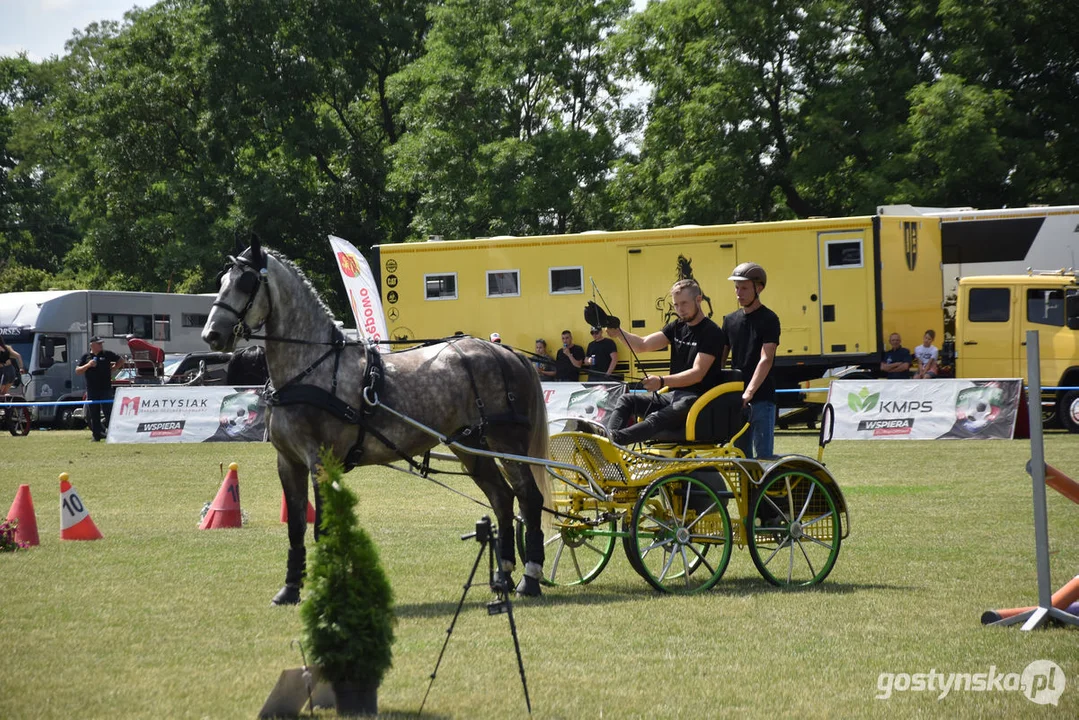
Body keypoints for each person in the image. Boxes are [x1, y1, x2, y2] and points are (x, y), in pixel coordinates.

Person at [603, 279, 726, 445]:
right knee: (627, 400)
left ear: (699, 299)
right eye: (675, 305)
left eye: (684, 303)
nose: (679, 310)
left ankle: (613, 440)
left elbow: (697, 374)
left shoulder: (712, 332)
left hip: (698, 399)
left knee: (656, 417)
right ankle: (607, 438)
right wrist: (618, 331)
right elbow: (642, 345)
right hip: (674, 395)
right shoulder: (677, 327)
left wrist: (661, 381)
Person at [720, 262, 781, 459]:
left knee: (764, 460)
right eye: (736, 288)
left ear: (759, 287)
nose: (739, 293)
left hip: (762, 398)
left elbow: (766, 359)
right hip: (737, 400)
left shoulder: (770, 319)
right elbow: (720, 360)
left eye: (744, 288)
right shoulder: (729, 320)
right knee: (741, 459)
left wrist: (749, 392)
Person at [75, 336, 123, 441]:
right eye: (99, 343)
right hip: (92, 389)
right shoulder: (86, 356)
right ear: (92, 345)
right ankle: (96, 436)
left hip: (105, 388)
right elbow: (78, 371)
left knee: (108, 413)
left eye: (102, 343)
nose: (101, 345)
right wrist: (88, 365)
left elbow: (121, 360)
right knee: (94, 414)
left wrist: (114, 368)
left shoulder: (107, 354)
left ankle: (113, 435)